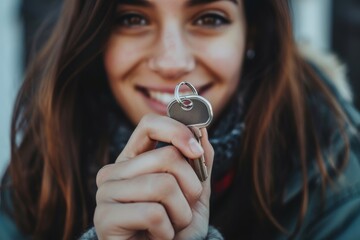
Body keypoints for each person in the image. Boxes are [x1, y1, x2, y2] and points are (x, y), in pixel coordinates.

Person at [1, 0, 360, 239]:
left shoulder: (333, 174)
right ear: (95, 36)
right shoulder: (37, 170)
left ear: (251, 31)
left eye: (209, 18)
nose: (171, 62)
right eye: (133, 18)